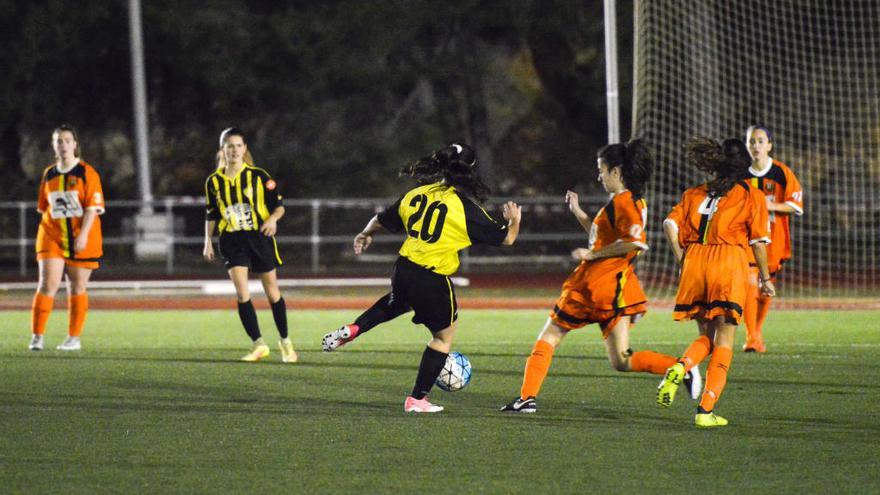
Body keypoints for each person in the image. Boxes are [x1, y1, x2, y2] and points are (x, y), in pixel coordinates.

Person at [500, 139, 700, 414]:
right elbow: (602, 239)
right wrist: (580, 213)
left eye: (602, 170)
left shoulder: (625, 203)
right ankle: (680, 368)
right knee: (621, 360)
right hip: (614, 289)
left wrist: (592, 256)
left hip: (595, 285)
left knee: (550, 336)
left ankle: (526, 398)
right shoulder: (629, 201)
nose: (599, 176)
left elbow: (635, 242)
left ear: (617, 172)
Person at [321, 143, 521, 413]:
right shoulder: (463, 208)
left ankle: (356, 328)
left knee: (399, 301)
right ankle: (417, 399)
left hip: (403, 269)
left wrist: (365, 233)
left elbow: (380, 219)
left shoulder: (416, 194)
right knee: (442, 338)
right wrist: (514, 220)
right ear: (467, 172)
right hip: (432, 277)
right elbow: (507, 238)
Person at [657, 137, 775, 428]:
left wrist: (681, 256)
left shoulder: (695, 192)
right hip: (728, 262)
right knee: (724, 341)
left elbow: (669, 224)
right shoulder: (750, 194)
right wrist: (765, 277)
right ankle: (705, 410)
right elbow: (759, 243)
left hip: (695, 261)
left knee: (706, 338)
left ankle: (682, 366)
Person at [203, 127, 297, 363]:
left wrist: (273, 219)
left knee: (272, 291)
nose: (233, 150)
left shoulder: (259, 176)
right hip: (232, 240)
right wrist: (208, 242)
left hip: (259, 237)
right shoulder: (213, 181)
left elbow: (279, 206)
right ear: (222, 150)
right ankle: (258, 344)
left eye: (238, 145)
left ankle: (286, 343)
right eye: (229, 146)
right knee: (242, 293)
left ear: (244, 149)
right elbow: (211, 214)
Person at [28, 125, 105, 351]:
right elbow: (44, 208)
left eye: (67, 140)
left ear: (75, 144)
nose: (62, 145)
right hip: (51, 234)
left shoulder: (87, 172)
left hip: (82, 236)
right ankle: (37, 336)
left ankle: (73, 338)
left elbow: (92, 207)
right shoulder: (49, 173)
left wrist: (82, 234)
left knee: (77, 287)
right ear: (54, 145)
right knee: (47, 283)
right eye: (58, 141)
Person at [741, 125, 804, 353]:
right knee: (748, 284)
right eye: (751, 142)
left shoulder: (781, 173)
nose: (756, 146)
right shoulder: (741, 175)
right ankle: (751, 336)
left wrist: (770, 206)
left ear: (769, 144)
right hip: (747, 240)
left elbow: (795, 206)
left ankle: (757, 331)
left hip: (774, 241)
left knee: (765, 288)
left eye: (760, 141)